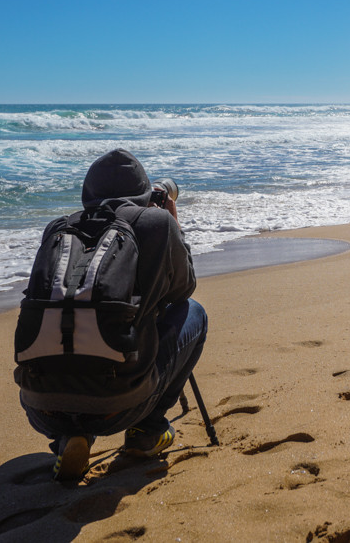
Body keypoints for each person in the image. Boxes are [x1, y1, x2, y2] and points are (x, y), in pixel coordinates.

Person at [15, 148, 207, 481]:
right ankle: (146, 431)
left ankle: (65, 438)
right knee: (194, 313)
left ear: (88, 193)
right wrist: (172, 224)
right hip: (118, 407)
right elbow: (183, 290)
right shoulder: (156, 223)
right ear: (145, 192)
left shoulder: (58, 228)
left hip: (41, 406)